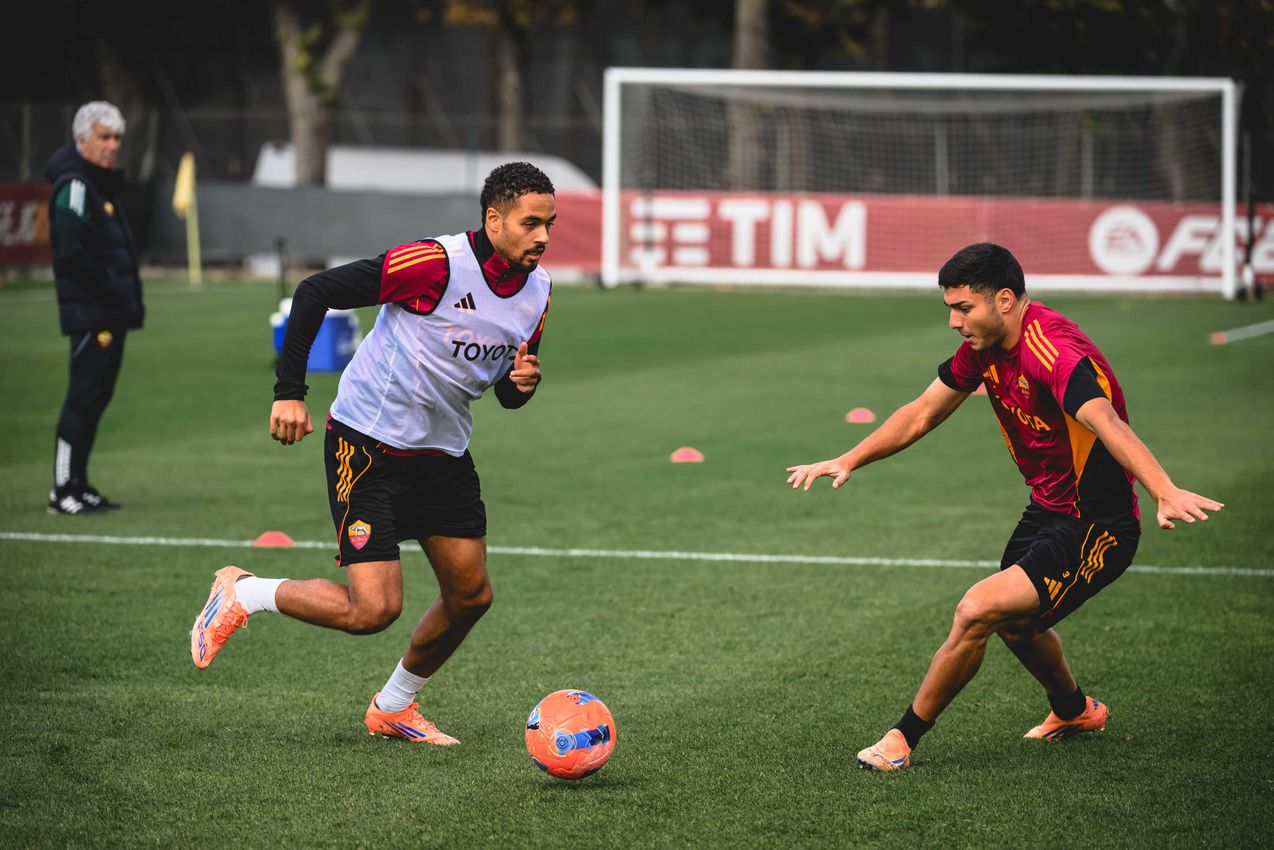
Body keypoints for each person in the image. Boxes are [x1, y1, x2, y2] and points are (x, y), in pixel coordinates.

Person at [786, 242, 1223, 771]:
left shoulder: (1053, 352)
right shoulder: (983, 347)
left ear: (1007, 300)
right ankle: (1075, 710)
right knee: (1017, 623)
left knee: (978, 610)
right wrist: (849, 458)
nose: (953, 321)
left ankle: (901, 739)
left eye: (963, 308)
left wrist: (1163, 489)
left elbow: (1106, 421)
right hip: (1046, 509)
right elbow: (923, 412)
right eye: (950, 308)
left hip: (1096, 523)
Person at [189, 162, 556, 745]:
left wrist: (520, 385)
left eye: (549, 224)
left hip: (442, 454)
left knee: (471, 596)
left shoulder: (537, 294)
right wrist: (290, 393)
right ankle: (243, 592)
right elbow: (316, 292)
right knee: (373, 610)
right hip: (367, 445)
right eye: (531, 223)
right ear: (494, 219)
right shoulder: (434, 264)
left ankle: (393, 707)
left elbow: (506, 392)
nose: (543, 236)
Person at [45, 101, 144, 514]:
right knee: (82, 397)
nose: (113, 145)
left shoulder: (98, 184)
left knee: (97, 397)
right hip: (91, 313)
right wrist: (106, 293)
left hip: (106, 311)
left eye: (117, 137)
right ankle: (63, 490)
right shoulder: (77, 184)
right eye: (104, 137)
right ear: (82, 140)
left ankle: (79, 484)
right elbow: (70, 251)